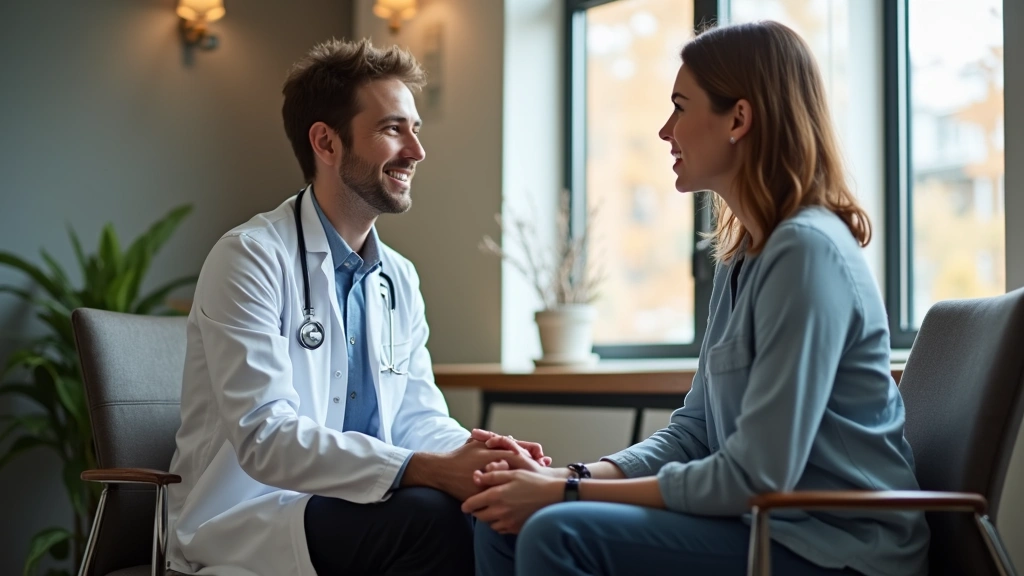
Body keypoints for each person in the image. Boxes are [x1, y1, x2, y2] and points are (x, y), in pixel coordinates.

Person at [466, 21, 929, 576]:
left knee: (557, 532)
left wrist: (564, 494)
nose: (666, 130)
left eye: (681, 107)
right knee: (500, 519)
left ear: (739, 118)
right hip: (762, 526)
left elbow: (754, 476)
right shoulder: (744, 257)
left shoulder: (809, 254)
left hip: (836, 547)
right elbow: (695, 431)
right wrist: (572, 477)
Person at [165, 39, 549, 576]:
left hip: (358, 505)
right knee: (430, 517)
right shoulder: (249, 258)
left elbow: (418, 417)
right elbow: (266, 439)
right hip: (250, 515)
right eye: (394, 129)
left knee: (495, 509)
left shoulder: (398, 277)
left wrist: (481, 458)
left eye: (416, 129)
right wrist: (426, 471)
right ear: (326, 141)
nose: (416, 150)